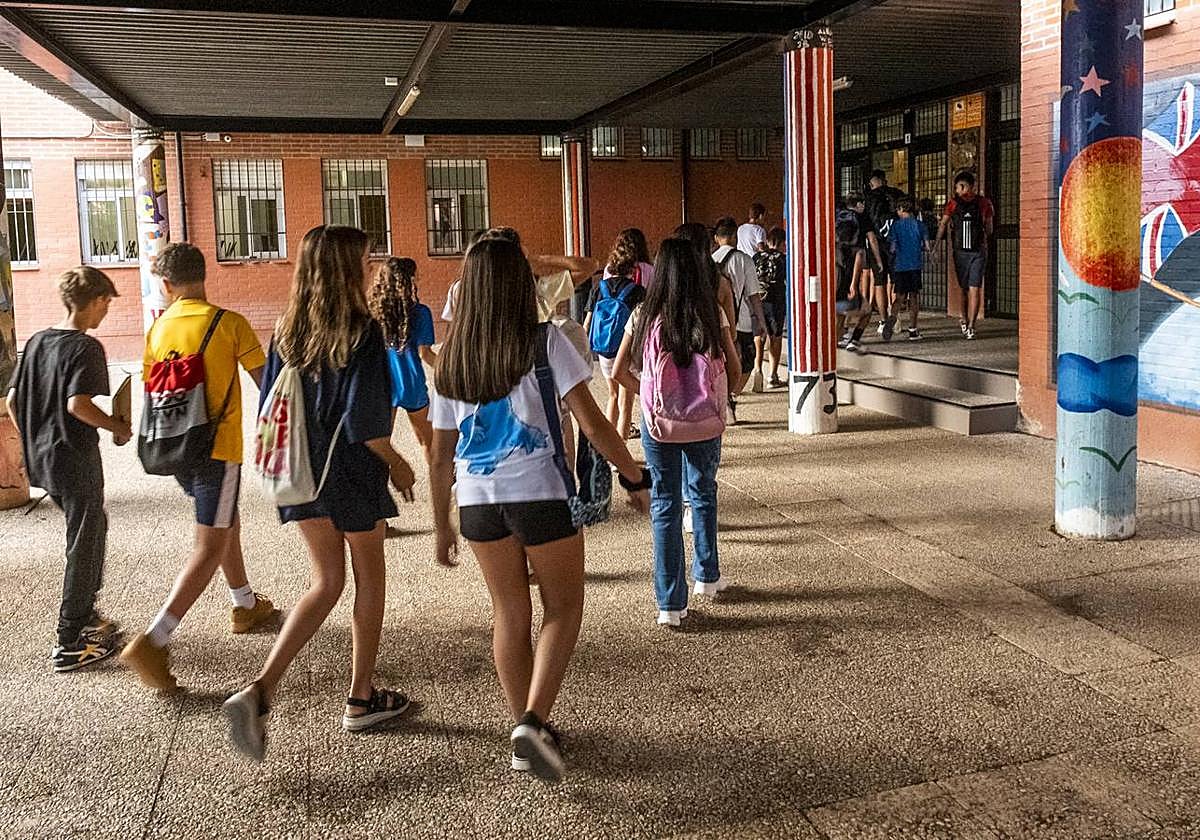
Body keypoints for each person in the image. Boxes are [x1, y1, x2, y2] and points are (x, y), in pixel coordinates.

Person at [429, 234, 649, 783]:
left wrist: (441, 526)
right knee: (563, 609)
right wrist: (633, 473)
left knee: (509, 613)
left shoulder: (453, 357)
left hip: (478, 505)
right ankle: (532, 721)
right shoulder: (547, 342)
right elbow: (595, 423)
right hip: (541, 496)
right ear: (518, 286)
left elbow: (439, 456)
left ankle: (525, 727)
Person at [224, 225, 418, 761]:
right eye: (364, 259)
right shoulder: (362, 332)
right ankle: (360, 697)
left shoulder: (286, 331)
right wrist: (399, 465)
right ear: (343, 268)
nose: (371, 267)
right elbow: (365, 423)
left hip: (300, 474)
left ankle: (261, 687)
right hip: (352, 474)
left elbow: (270, 403)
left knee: (325, 581)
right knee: (368, 583)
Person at [121, 243, 275, 691]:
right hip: (216, 449)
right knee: (209, 544)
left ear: (165, 285)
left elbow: (153, 391)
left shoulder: (158, 329)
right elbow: (267, 384)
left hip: (174, 451)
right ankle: (155, 639)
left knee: (225, 522)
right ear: (203, 276)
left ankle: (244, 603)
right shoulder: (229, 324)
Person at [6, 267, 131, 671]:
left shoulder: (39, 341)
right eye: (106, 303)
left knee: (92, 529)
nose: (106, 311)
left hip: (43, 458)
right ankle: (70, 639)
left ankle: (86, 614)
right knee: (85, 540)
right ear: (94, 301)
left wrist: (31, 440)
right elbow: (78, 405)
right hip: (74, 459)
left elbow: (11, 400)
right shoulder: (85, 348)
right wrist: (118, 427)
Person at [611, 238, 741, 627]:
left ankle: (670, 605)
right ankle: (708, 578)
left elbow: (619, 373)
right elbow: (734, 376)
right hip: (704, 424)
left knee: (665, 505)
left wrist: (652, 396)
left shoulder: (644, 314)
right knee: (702, 494)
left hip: (658, 425)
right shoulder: (711, 313)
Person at [370, 257, 437, 462]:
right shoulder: (421, 313)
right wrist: (451, 370)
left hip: (382, 386)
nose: (420, 277)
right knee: (429, 444)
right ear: (409, 279)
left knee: (380, 447)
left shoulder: (374, 313)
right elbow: (426, 355)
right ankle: (442, 489)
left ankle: (380, 486)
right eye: (416, 274)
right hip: (412, 385)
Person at [583, 230, 648, 440]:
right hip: (625, 352)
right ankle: (621, 451)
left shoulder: (598, 288)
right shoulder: (637, 291)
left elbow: (587, 324)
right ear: (632, 268)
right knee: (625, 403)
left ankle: (607, 447)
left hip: (604, 352)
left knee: (612, 396)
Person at [712, 216, 767, 405]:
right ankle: (731, 396)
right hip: (740, 319)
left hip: (714, 319)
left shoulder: (709, 260)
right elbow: (753, 295)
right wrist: (761, 320)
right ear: (735, 236)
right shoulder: (745, 260)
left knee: (719, 361)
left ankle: (722, 396)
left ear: (716, 238)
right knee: (746, 362)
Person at [936, 171, 994, 340]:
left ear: (971, 186)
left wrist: (937, 243)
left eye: (962, 186)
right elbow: (989, 228)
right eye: (957, 187)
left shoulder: (953, 204)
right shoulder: (984, 203)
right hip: (978, 250)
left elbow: (943, 224)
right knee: (974, 288)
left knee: (965, 288)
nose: (959, 190)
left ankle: (965, 319)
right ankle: (971, 326)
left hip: (961, 251)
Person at [863, 170, 907, 341]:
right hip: (897, 245)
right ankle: (894, 318)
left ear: (872, 183)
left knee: (879, 282)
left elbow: (868, 228)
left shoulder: (869, 199)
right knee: (896, 281)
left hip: (877, 246)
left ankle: (882, 320)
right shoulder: (898, 195)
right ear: (885, 180)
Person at [889, 199, 932, 341]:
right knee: (914, 296)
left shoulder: (896, 226)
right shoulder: (920, 225)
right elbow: (927, 246)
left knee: (899, 297)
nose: (897, 212)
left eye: (897, 209)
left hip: (900, 265)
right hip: (914, 265)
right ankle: (913, 330)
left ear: (902, 209)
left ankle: (891, 321)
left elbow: (893, 248)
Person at [752, 227, 787, 389]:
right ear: (782, 243)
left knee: (758, 336)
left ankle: (757, 369)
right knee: (776, 337)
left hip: (758, 301)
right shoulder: (783, 259)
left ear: (767, 241)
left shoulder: (756, 257)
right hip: (776, 302)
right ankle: (772, 376)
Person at [835, 219, 872, 352]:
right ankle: (854, 339)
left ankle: (834, 343)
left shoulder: (834, 249)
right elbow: (857, 268)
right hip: (848, 292)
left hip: (835, 292)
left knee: (839, 317)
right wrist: (853, 286)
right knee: (867, 311)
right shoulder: (857, 250)